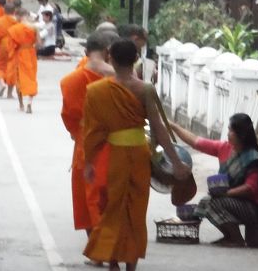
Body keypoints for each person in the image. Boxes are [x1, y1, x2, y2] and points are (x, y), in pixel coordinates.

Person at [83, 39, 191, 271]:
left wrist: (89, 162)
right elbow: (159, 128)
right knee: (135, 211)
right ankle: (130, 264)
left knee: (113, 208)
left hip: (115, 158)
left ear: (110, 58)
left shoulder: (98, 91)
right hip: (139, 156)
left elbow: (93, 131)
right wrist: (176, 162)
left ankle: (113, 262)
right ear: (135, 59)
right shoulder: (145, 89)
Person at [169, 114, 258, 247]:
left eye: (231, 130)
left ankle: (236, 239)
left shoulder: (253, 157)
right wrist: (173, 126)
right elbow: (196, 141)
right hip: (239, 201)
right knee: (205, 202)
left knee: (214, 203)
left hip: (257, 207)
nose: (228, 134)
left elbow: (250, 188)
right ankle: (229, 236)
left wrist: (225, 194)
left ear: (241, 134)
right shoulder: (225, 148)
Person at [60, 31, 119, 266]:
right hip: (118, 145)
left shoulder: (72, 80)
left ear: (87, 52)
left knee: (89, 200)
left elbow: (69, 117)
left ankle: (98, 251)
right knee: (111, 199)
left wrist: (80, 135)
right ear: (108, 52)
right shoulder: (122, 78)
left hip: (86, 145)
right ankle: (114, 249)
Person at [7, 8, 38, 113]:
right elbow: (39, 43)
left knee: (19, 79)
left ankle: (21, 105)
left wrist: (11, 55)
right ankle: (29, 102)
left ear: (18, 16)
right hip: (31, 54)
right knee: (31, 78)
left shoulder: (14, 29)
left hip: (20, 54)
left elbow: (11, 46)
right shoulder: (33, 27)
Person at [0, 1, 17, 98]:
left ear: (4, 10)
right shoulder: (17, 21)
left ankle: (2, 84)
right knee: (12, 69)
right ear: (14, 11)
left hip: (2, 45)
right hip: (14, 46)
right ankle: (10, 94)